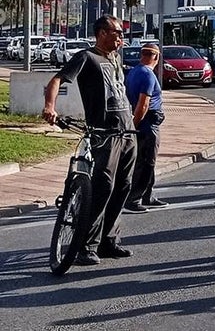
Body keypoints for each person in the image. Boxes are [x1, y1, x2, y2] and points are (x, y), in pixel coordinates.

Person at [41, 15, 137, 266]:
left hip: (127, 132)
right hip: (104, 134)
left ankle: (109, 240)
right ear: (102, 32)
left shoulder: (115, 59)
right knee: (103, 186)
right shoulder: (86, 57)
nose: (120, 38)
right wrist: (50, 107)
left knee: (123, 186)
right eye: (117, 32)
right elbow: (56, 80)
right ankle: (86, 245)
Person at [124, 43, 166, 213]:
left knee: (148, 160)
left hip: (144, 121)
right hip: (147, 123)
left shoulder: (134, 72)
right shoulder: (148, 75)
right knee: (146, 162)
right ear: (156, 57)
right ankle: (134, 199)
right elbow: (143, 104)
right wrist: (135, 124)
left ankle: (148, 195)